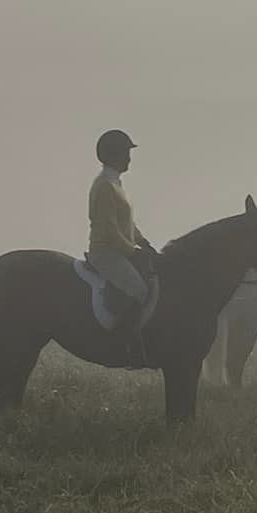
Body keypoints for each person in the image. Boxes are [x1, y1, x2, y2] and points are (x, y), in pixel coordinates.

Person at [87, 129, 154, 353]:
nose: (129, 158)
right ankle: (126, 344)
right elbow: (109, 230)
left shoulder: (115, 183)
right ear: (114, 155)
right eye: (126, 153)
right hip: (106, 253)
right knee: (139, 289)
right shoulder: (105, 185)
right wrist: (133, 251)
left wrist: (144, 243)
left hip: (119, 251)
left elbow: (128, 225)